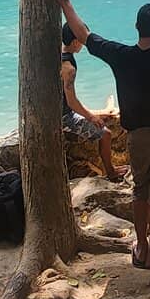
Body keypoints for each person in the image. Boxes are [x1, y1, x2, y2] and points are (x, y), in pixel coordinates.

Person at [46, 0, 150, 270]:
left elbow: (83, 35)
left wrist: (64, 1)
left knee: (140, 191)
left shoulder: (120, 56)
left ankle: (140, 247)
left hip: (135, 139)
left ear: (137, 27)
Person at [60, 22, 125, 183]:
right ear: (75, 41)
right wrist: (91, 117)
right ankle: (111, 172)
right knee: (105, 134)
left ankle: (108, 111)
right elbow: (72, 102)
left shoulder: (57, 53)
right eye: (82, 39)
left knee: (107, 114)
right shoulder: (68, 68)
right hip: (63, 116)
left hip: (60, 108)